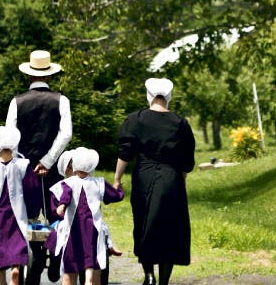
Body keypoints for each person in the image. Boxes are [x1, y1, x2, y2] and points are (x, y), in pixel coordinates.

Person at [113, 78, 195, 285]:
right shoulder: (180, 122)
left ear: (148, 96)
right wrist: (180, 181)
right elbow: (186, 160)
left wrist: (117, 179)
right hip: (171, 178)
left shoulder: (135, 119)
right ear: (169, 97)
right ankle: (164, 281)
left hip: (144, 176)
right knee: (171, 227)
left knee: (143, 222)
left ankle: (149, 275)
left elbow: (125, 153)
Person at [6, 49, 73, 284]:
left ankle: (35, 254)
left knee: (30, 214)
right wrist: (48, 161)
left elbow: (10, 137)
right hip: (53, 169)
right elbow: (66, 134)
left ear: (29, 76)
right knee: (56, 212)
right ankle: (55, 257)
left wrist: (20, 164)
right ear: (50, 76)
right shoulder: (61, 100)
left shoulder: (17, 102)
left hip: (25, 168)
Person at [45, 149, 123, 284]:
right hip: (88, 228)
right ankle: (86, 276)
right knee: (90, 257)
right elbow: (115, 196)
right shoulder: (98, 183)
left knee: (72, 266)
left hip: (76, 228)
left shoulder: (67, 184)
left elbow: (61, 200)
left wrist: (61, 206)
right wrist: (119, 188)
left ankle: (107, 250)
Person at [0, 126, 42, 285]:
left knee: (0, 249)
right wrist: (33, 212)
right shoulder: (24, 165)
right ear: (14, 145)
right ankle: (15, 270)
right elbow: (33, 191)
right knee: (17, 247)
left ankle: (2, 282)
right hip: (18, 217)